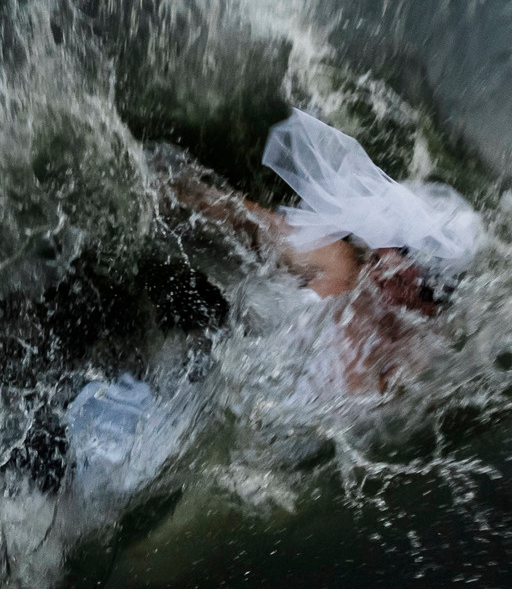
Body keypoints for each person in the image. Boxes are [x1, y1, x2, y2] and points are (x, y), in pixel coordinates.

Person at [163, 107, 483, 392]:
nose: (383, 272)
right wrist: (162, 191)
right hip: (200, 368)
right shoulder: (338, 263)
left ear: (430, 303)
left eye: (403, 280)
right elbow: (237, 219)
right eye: (390, 252)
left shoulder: (419, 357)